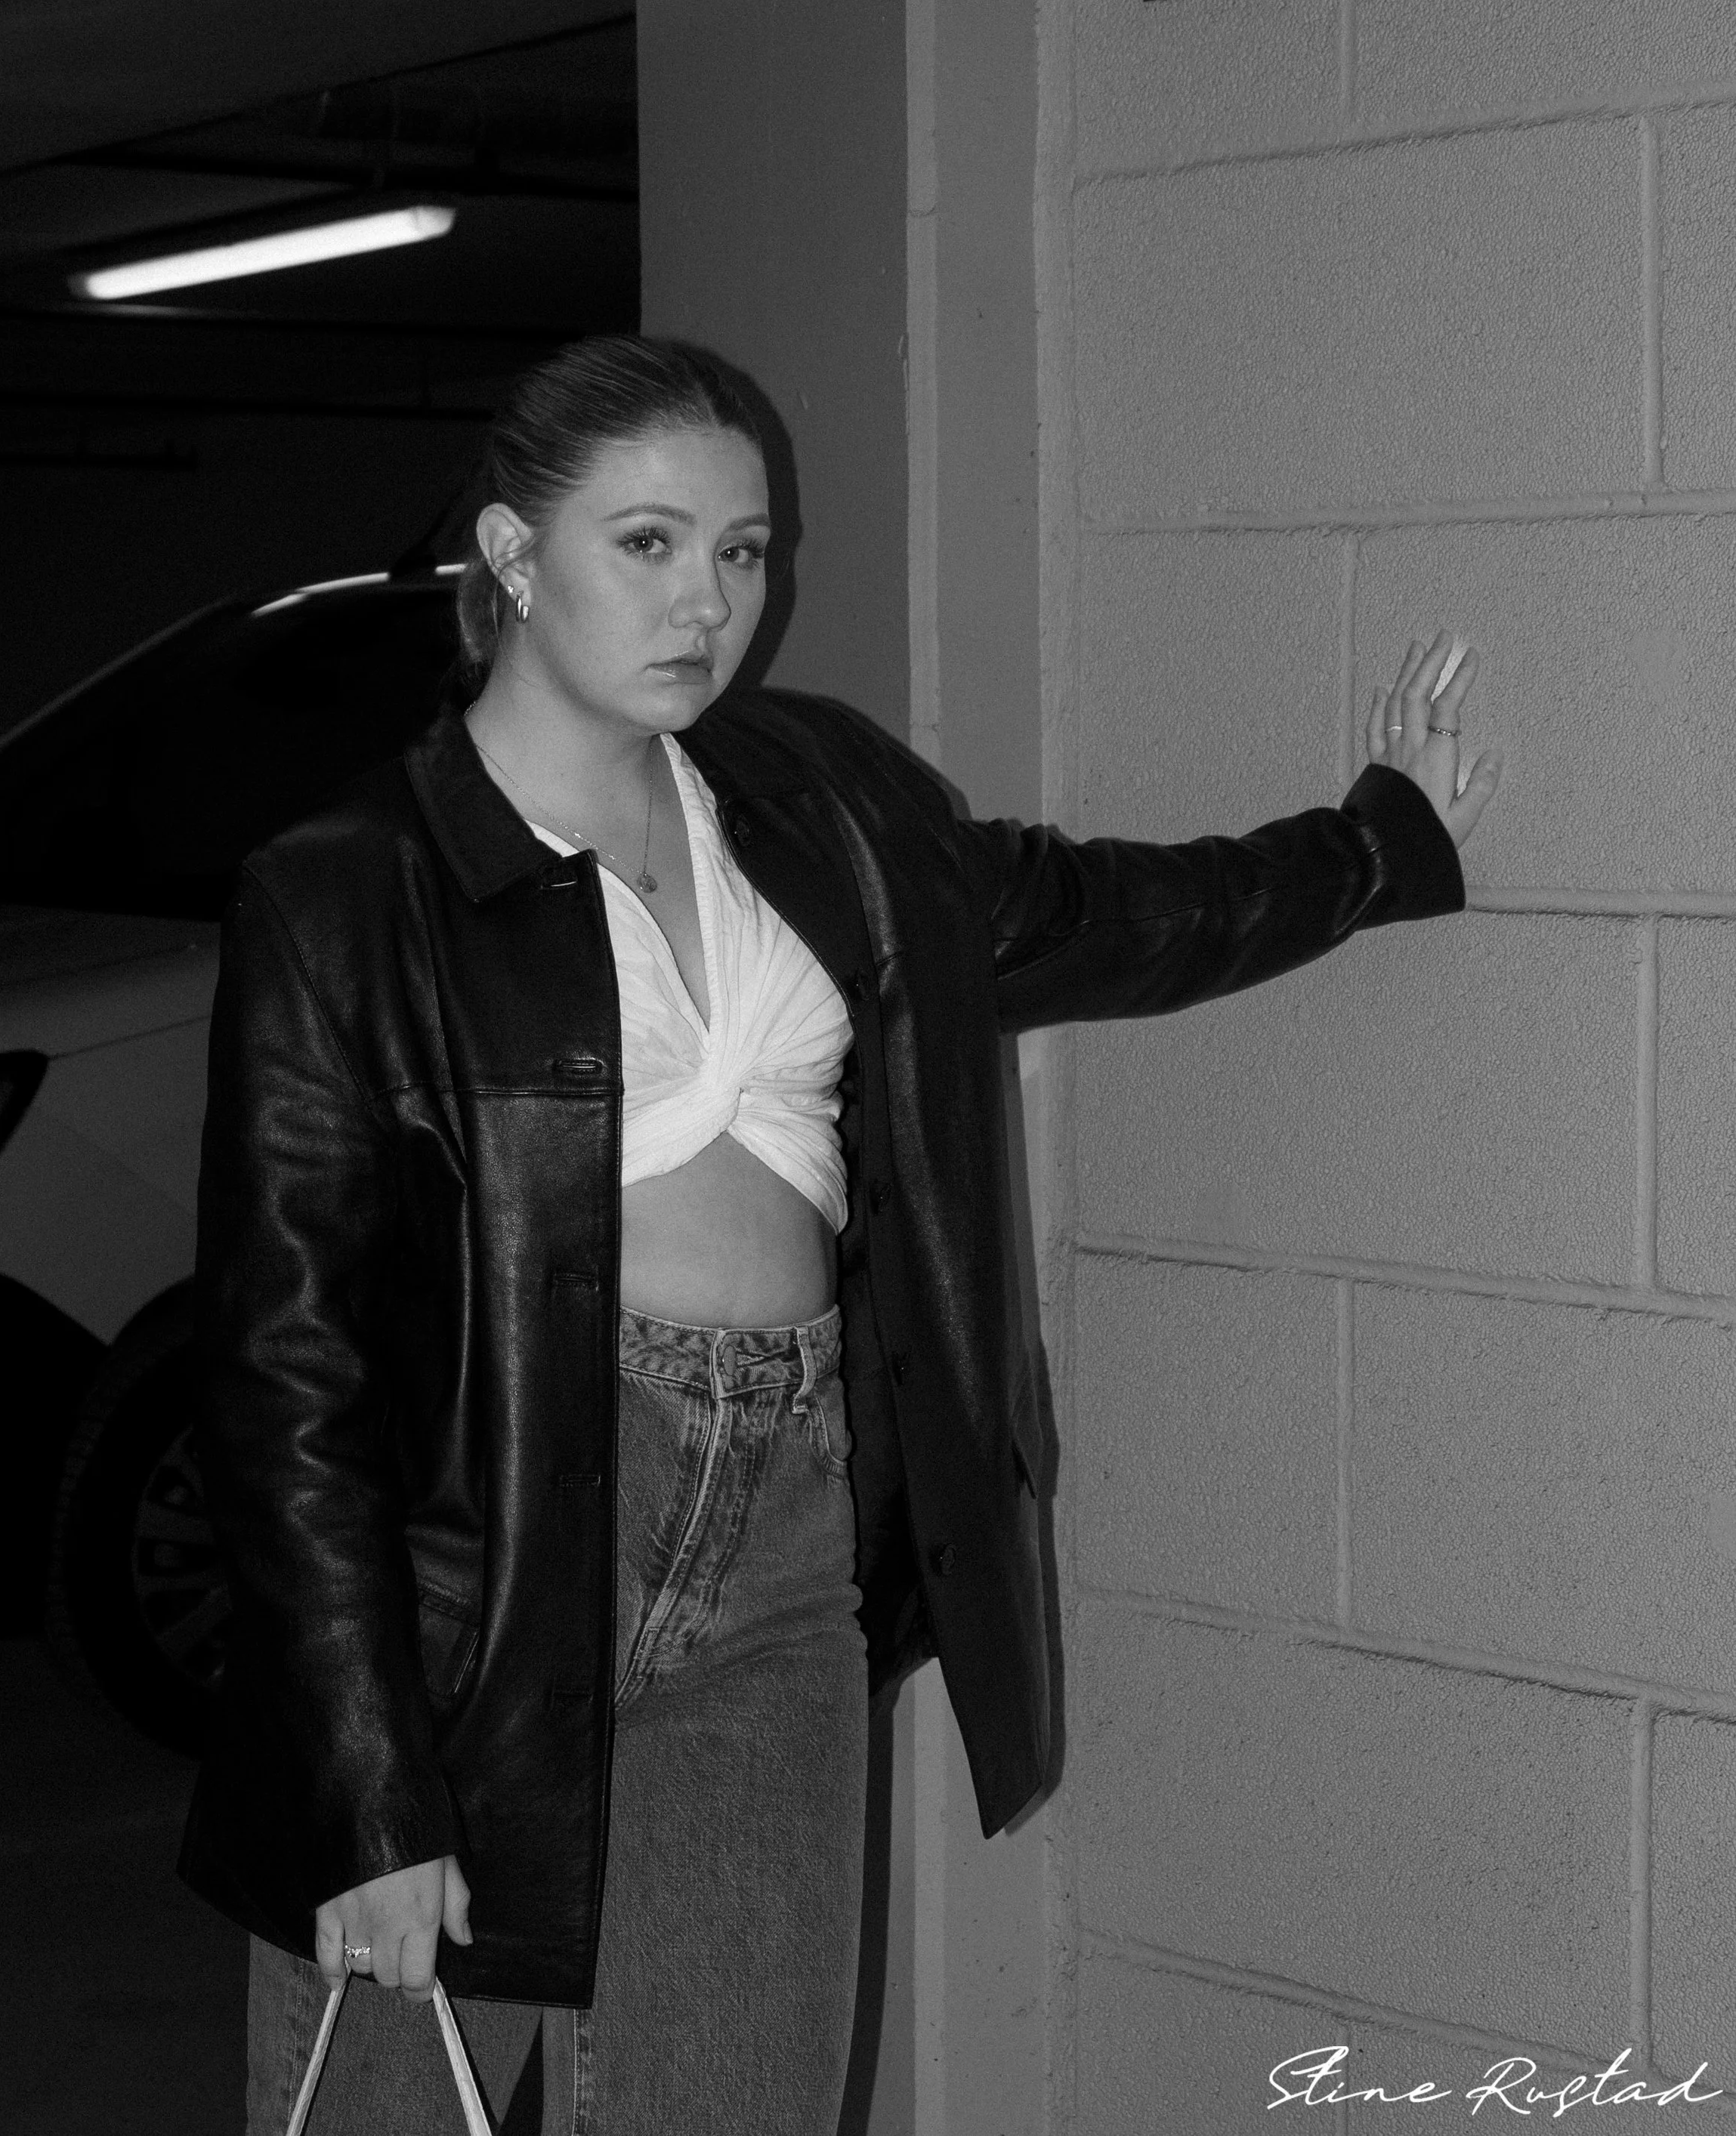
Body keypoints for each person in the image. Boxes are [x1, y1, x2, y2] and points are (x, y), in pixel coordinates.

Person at [178, 335, 1500, 2135]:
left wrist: (1377, 848)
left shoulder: (815, 804)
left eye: (742, 551)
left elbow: (1095, 910)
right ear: (508, 552)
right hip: (464, 1591)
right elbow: (287, 1369)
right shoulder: (347, 892)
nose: (707, 601)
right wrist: (359, 1785)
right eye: (645, 543)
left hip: (784, 1550)